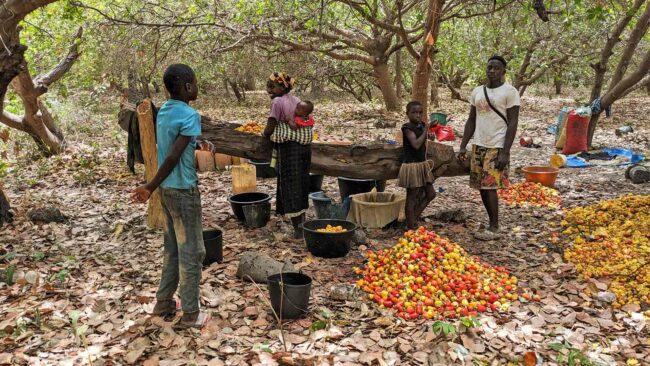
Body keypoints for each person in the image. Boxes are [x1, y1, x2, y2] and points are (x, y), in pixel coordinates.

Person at [131, 63, 209, 329]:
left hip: (167, 192)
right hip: (183, 191)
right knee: (193, 252)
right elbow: (173, 156)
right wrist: (149, 185)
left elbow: (176, 143)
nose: (197, 87)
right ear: (188, 87)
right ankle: (190, 314)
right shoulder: (190, 113)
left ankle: (163, 302)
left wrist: (199, 143)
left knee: (173, 249)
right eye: (195, 83)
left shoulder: (165, 110)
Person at [457, 55, 520, 241]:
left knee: (490, 187)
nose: (492, 71)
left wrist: (505, 151)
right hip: (479, 144)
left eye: (496, 68)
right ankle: (491, 223)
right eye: (490, 67)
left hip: (497, 145)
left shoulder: (510, 92)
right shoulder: (477, 91)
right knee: (482, 187)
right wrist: (463, 145)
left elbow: (513, 122)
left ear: (503, 71)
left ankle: (494, 227)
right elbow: (472, 120)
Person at [262, 72, 311, 239]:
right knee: (300, 183)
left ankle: (299, 230)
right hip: (303, 150)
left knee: (290, 184)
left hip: (288, 149)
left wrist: (265, 135)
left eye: (272, 86)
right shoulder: (296, 100)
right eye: (268, 86)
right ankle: (301, 223)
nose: (268, 89)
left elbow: (271, 124)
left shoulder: (277, 102)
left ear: (283, 87)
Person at [399, 101, 437, 229]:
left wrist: (429, 134)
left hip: (422, 164)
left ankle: (413, 218)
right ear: (407, 113)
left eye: (420, 112)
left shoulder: (421, 125)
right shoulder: (407, 128)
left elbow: (424, 139)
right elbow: (415, 144)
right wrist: (427, 129)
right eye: (414, 112)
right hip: (412, 165)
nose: (418, 115)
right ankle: (410, 226)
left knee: (431, 194)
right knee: (412, 196)